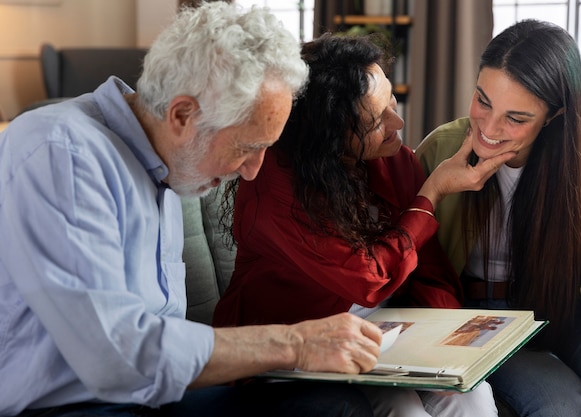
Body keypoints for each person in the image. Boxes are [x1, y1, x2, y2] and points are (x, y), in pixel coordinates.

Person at [0, 3, 384, 417]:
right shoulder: (63, 152)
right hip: (72, 406)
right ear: (182, 114)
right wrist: (296, 343)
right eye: (247, 148)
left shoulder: (166, 166)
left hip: (151, 398)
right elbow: (116, 356)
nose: (252, 173)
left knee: (333, 406)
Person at [212, 33, 516, 416]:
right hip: (294, 338)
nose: (398, 120)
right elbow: (367, 278)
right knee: (403, 408)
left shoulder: (393, 159)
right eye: (375, 121)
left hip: (385, 330)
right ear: (328, 137)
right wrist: (432, 192)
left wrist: (447, 344)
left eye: (390, 97)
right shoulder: (274, 189)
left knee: (472, 393)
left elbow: (430, 272)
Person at [415, 19, 581, 417]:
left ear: (553, 115)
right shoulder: (440, 150)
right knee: (562, 407)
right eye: (482, 100)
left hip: (562, 307)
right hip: (475, 314)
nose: (489, 129)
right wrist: (439, 185)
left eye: (516, 118)